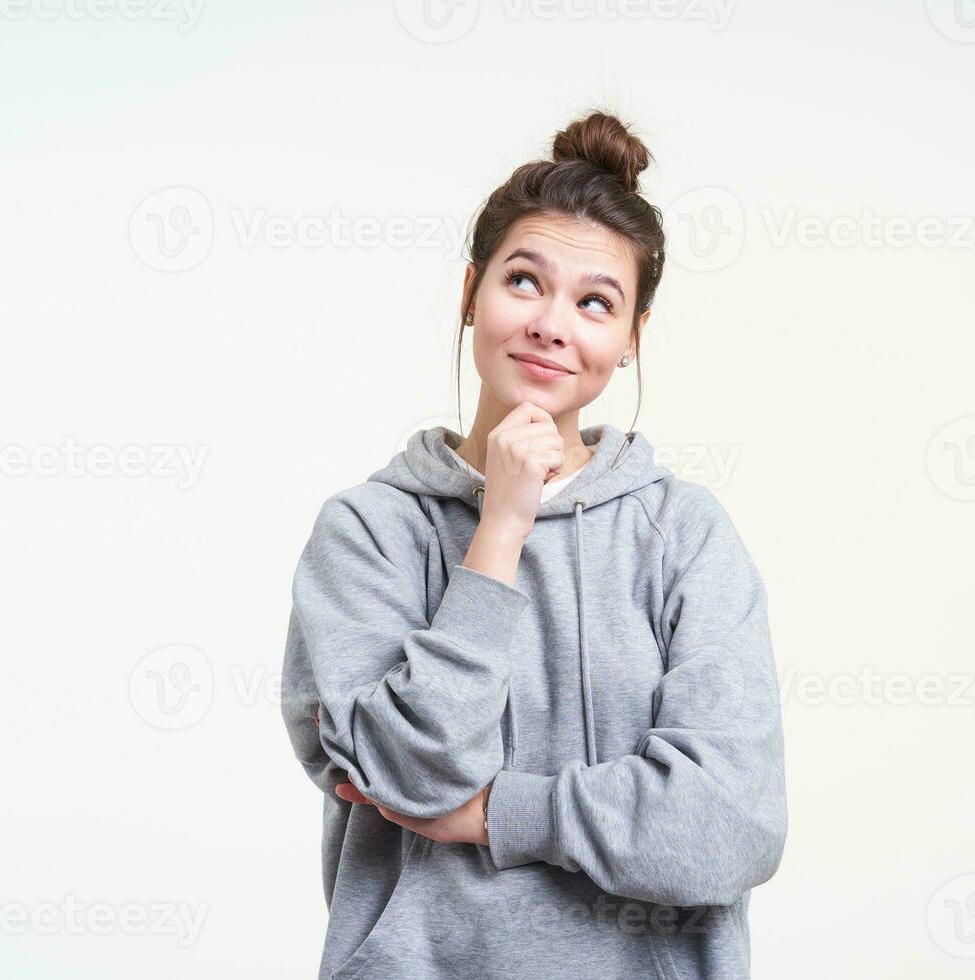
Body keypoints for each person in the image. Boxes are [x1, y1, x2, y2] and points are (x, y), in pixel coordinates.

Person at [280, 109, 788, 980]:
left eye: (596, 302)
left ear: (630, 341)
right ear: (470, 292)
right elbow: (415, 774)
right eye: (524, 281)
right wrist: (503, 527)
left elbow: (733, 825)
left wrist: (495, 815)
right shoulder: (367, 533)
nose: (554, 323)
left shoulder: (682, 535)